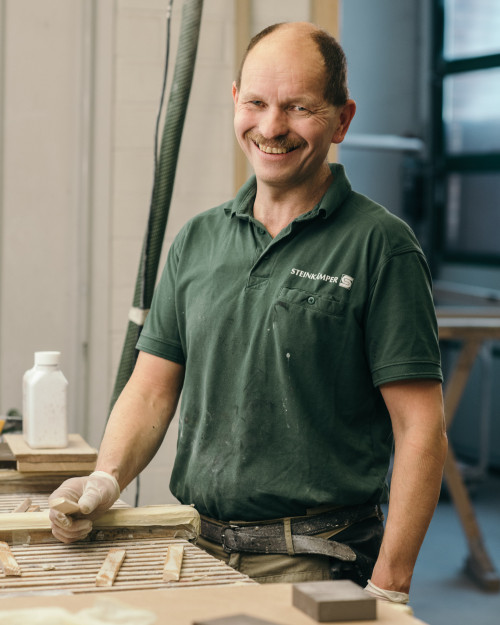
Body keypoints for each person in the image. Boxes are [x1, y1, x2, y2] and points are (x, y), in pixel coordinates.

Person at [49, 21, 447, 604]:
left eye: (299, 107)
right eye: (257, 103)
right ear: (235, 101)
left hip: (313, 557)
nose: (272, 127)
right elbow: (152, 389)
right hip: (196, 547)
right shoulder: (197, 240)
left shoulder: (380, 246)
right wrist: (105, 479)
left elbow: (420, 428)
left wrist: (390, 585)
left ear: (342, 119)